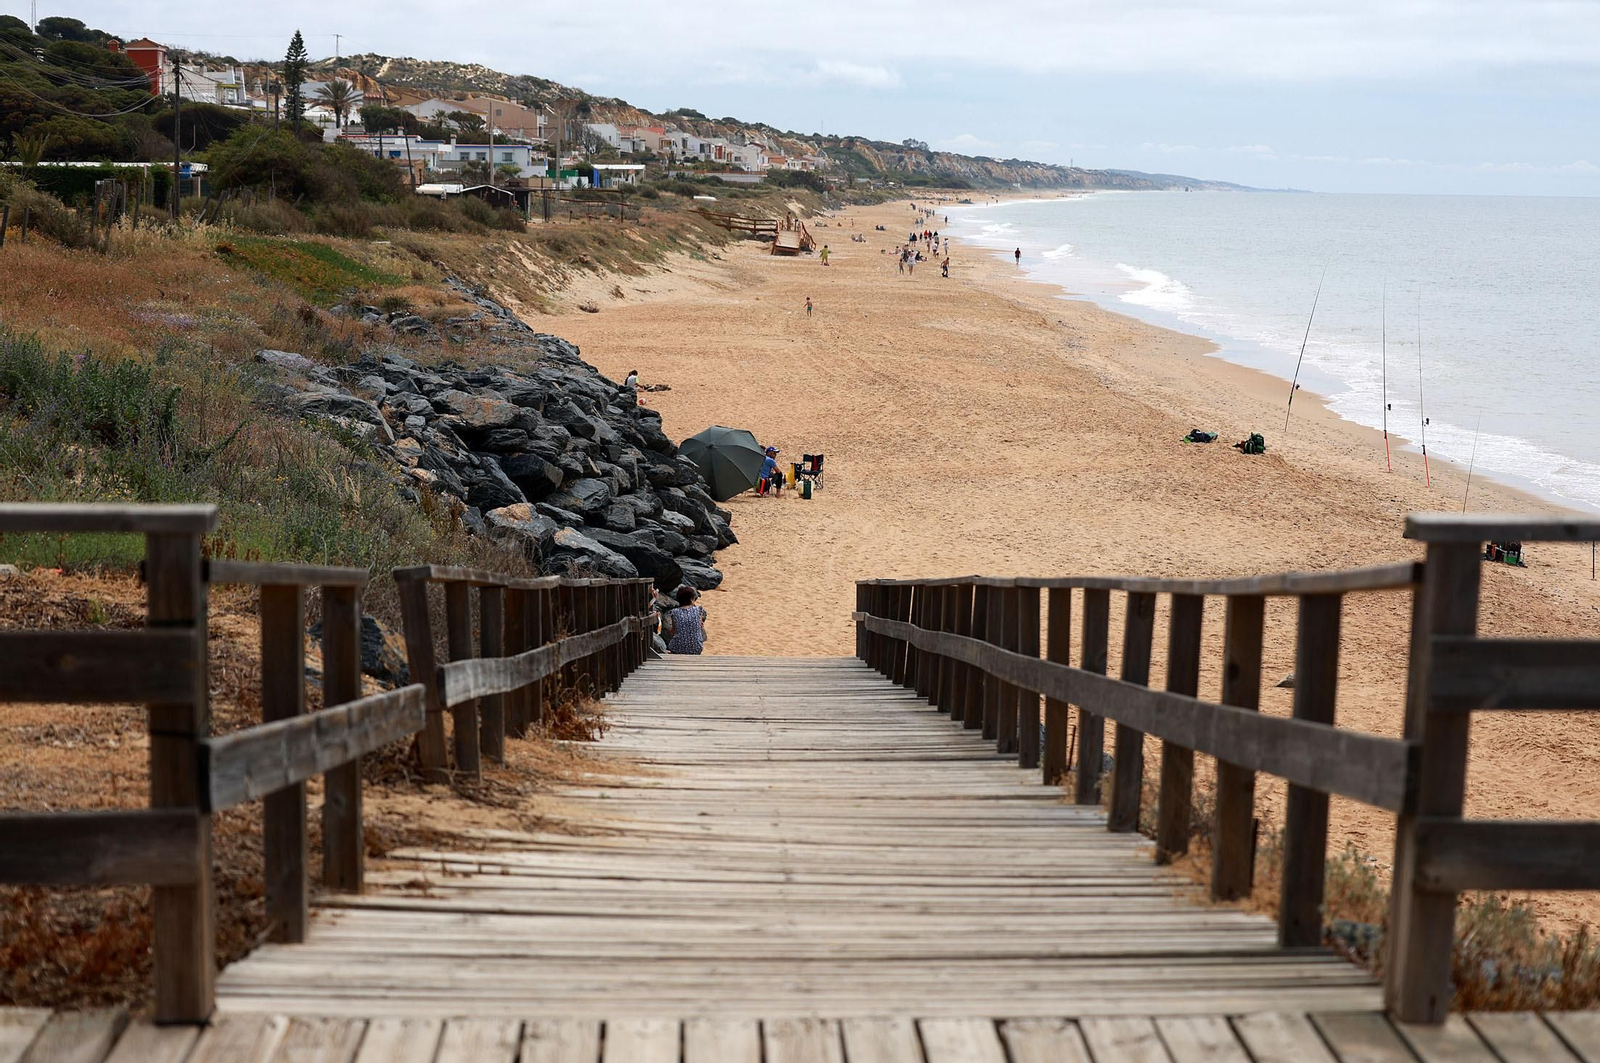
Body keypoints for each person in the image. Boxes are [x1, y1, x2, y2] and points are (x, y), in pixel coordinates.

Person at [665, 585, 707, 655]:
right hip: (696, 648)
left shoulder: (674, 612)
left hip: (677, 648)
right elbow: (700, 626)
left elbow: (673, 631)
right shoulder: (698, 610)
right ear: (691, 599)